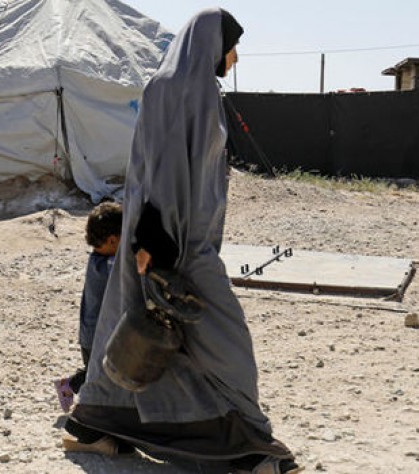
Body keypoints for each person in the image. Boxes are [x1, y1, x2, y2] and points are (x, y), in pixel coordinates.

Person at [62, 8, 302, 474]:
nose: (233, 57)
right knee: (227, 349)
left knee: (142, 332)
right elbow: (162, 171)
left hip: (184, 241)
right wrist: (156, 245)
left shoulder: (198, 91)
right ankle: (251, 447)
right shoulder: (174, 90)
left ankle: (99, 429)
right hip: (172, 245)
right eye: (231, 46)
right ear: (211, 43)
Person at [54, 201, 123, 413]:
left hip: (92, 334)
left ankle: (69, 385)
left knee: (100, 373)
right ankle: (69, 387)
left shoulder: (100, 260)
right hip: (97, 335)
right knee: (103, 375)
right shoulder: (106, 265)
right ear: (113, 240)